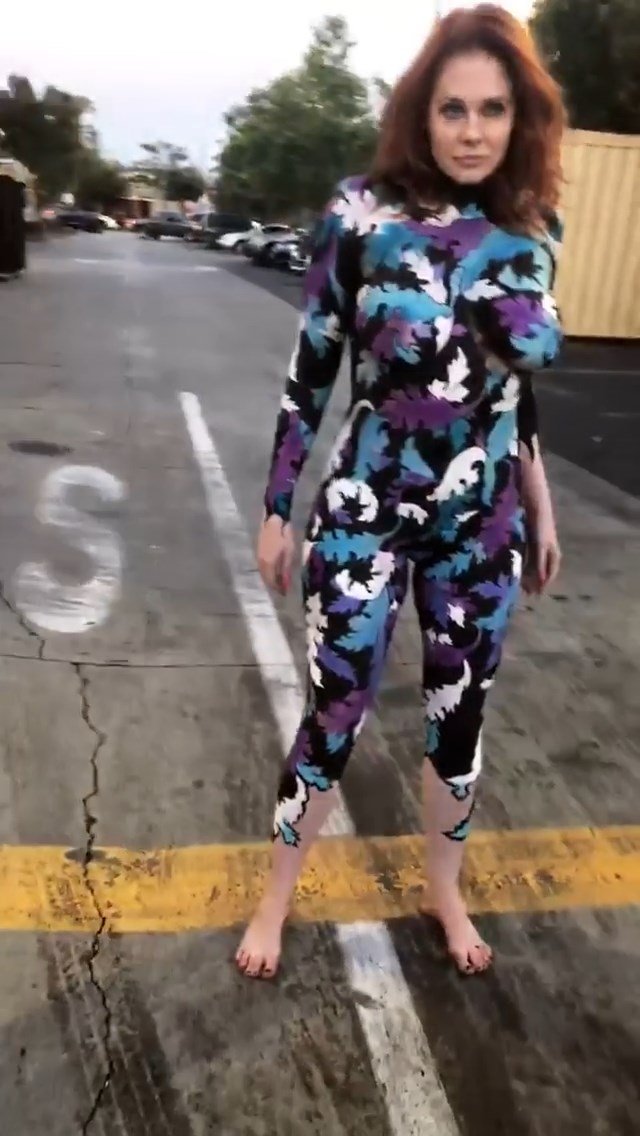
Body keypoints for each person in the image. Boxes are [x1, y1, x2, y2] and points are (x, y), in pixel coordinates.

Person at [236, 2, 565, 979]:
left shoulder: (532, 228)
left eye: (493, 110)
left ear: (519, 118)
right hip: (364, 513)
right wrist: (276, 507)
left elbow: (513, 390)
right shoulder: (359, 216)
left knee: (458, 721)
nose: (472, 131)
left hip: (483, 524)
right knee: (334, 710)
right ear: (422, 112)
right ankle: (275, 898)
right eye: (453, 108)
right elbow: (311, 370)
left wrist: (540, 504)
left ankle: (444, 890)